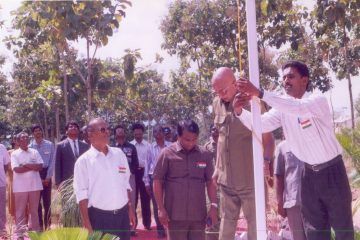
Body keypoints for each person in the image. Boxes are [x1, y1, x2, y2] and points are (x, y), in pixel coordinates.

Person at [234, 60, 354, 240]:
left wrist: (260, 93)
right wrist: (239, 112)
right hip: (308, 176)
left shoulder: (316, 101)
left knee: (343, 229)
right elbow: (262, 124)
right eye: (283, 78)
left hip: (332, 172)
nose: (285, 81)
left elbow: (298, 108)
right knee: (314, 231)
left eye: (291, 76)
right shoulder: (282, 110)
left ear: (304, 80)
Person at [211, 67, 275, 240]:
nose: (220, 94)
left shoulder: (251, 102)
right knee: (226, 226)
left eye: (223, 90)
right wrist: (217, 168)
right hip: (227, 182)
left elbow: (268, 140)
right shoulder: (217, 103)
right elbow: (221, 139)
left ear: (234, 82)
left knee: (256, 227)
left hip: (250, 182)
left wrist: (267, 161)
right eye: (216, 91)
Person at [153, 120, 218, 240]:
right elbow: (157, 181)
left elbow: (210, 182)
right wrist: (160, 208)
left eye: (194, 139)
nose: (191, 143)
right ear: (178, 136)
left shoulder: (204, 154)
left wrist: (214, 206)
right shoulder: (166, 154)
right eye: (187, 139)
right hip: (175, 216)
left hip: (198, 216)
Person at [73, 118, 136, 240]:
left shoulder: (119, 154)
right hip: (99, 219)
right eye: (103, 129)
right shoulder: (83, 162)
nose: (107, 132)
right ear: (90, 134)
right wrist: (87, 223)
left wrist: (130, 209)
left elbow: (125, 183)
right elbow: (81, 196)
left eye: (108, 129)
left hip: (122, 216)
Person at [11, 131, 43, 240]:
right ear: (18, 141)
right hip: (20, 187)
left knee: (34, 210)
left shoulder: (34, 152)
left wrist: (26, 165)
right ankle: (20, 234)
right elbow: (17, 169)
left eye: (26, 138)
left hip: (35, 186)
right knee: (20, 210)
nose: (24, 140)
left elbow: (40, 166)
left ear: (28, 140)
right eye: (22, 139)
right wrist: (32, 166)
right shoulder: (14, 154)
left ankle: (35, 232)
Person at [274, 140, 306, 240]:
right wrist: (279, 202)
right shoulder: (282, 147)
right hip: (293, 203)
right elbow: (278, 175)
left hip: (313, 202)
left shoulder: (311, 141)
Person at [144, 125, 170, 238]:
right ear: (153, 134)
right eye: (155, 131)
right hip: (154, 178)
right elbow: (146, 164)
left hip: (169, 178)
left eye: (160, 131)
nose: (158, 133)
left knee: (170, 204)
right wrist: (146, 182)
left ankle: (170, 228)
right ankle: (160, 230)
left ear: (164, 133)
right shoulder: (150, 148)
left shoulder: (170, 146)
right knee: (157, 205)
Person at [114, 124, 139, 236]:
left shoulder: (131, 147)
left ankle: (132, 228)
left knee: (131, 202)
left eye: (121, 131)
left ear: (124, 133)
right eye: (118, 132)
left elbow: (135, 163)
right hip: (115, 180)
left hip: (129, 178)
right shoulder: (111, 148)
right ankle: (119, 226)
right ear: (115, 135)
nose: (120, 133)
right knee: (117, 200)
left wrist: (128, 173)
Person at [29, 124, 55, 230]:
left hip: (47, 174)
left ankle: (48, 226)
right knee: (36, 203)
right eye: (35, 131)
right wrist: (39, 179)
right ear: (33, 133)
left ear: (42, 132)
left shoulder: (49, 144)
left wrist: (48, 177)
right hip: (35, 175)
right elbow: (30, 163)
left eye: (39, 130)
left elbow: (52, 161)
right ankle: (39, 225)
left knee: (47, 202)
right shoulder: (30, 147)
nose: (38, 132)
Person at [55, 121, 89, 187]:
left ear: (78, 131)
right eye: (71, 127)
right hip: (66, 182)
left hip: (83, 180)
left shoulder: (85, 146)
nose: (74, 128)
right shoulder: (60, 146)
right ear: (66, 131)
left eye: (76, 127)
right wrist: (58, 182)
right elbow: (57, 165)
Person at [130, 122, 152, 230]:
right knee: (133, 199)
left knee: (145, 199)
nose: (137, 135)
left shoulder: (148, 145)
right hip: (133, 174)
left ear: (143, 133)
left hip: (144, 173)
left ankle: (147, 224)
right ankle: (133, 225)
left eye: (139, 133)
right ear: (133, 133)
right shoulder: (130, 145)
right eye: (136, 134)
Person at [0, 143, 10, 239]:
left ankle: (2, 231)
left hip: (1, 183)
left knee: (1, 208)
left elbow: (7, 164)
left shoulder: (2, 147)